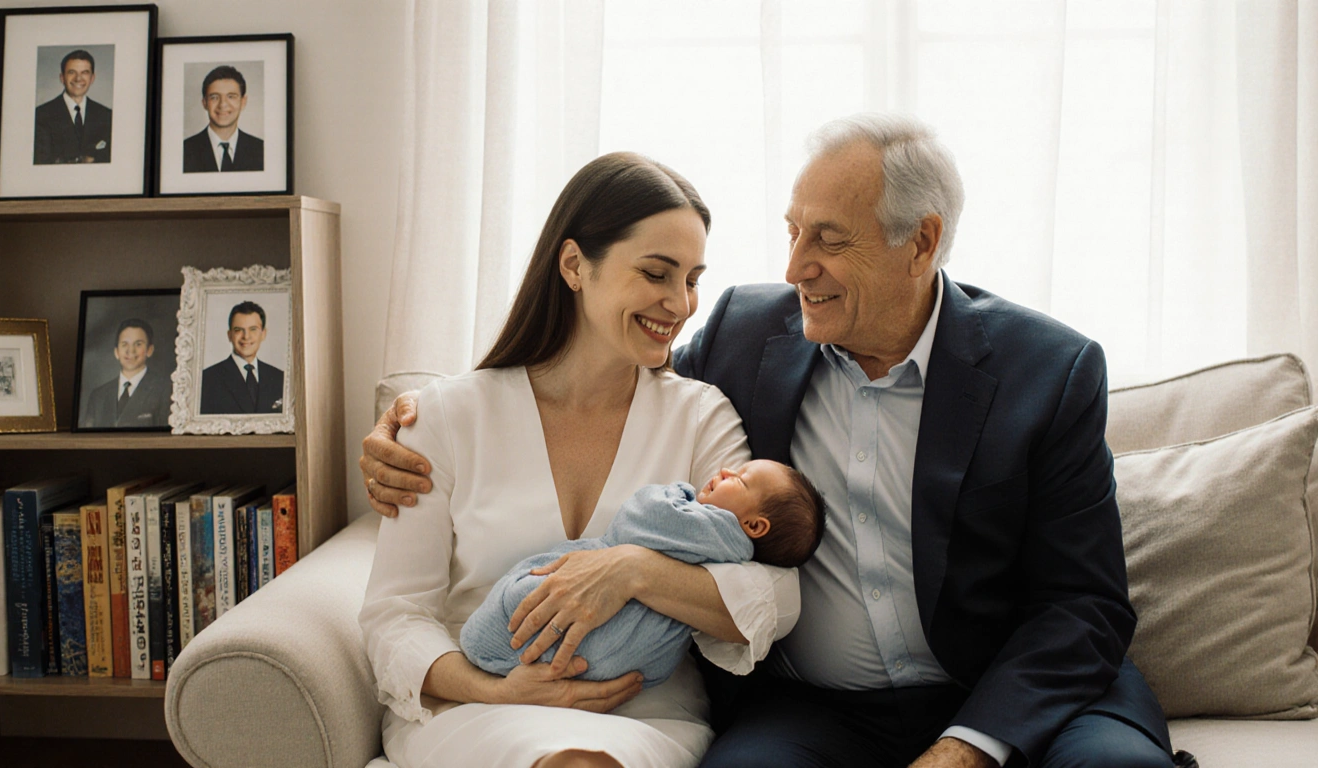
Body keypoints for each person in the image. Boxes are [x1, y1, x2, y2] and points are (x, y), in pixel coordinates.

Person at [360, 113, 1177, 768]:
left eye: (828, 239)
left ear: (921, 243)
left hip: (1005, 696)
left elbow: (1084, 602)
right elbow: (598, 368)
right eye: (792, 232)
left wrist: (970, 747)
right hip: (819, 713)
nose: (793, 268)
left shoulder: (1050, 370)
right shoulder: (746, 340)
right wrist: (408, 425)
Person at [358, 152, 799, 768]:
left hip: (642, 713)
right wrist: (495, 688)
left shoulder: (700, 417)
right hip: (475, 706)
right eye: (656, 273)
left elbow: (771, 593)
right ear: (573, 265)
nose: (680, 302)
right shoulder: (446, 417)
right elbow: (394, 613)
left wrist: (631, 570)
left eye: (693, 279)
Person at [461, 460, 826, 688]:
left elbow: (639, 517)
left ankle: (498, 650)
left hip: (609, 637)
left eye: (741, 479)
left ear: (754, 526)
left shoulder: (708, 529)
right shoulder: (732, 559)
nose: (726, 470)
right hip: (634, 671)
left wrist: (677, 493)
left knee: (522, 599)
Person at [81, 318, 172, 428]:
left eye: (138, 344)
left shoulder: (166, 390)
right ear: (116, 352)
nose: (131, 351)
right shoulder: (98, 396)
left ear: (149, 350)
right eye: (124, 344)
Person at [200, 301, 284, 414]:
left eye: (253, 329)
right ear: (229, 335)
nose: (246, 336)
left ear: (263, 334)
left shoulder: (280, 378)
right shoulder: (206, 379)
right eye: (238, 330)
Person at [34, 49, 112, 164]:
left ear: (92, 78)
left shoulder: (107, 116)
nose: (78, 78)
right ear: (62, 78)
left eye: (84, 72)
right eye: (72, 72)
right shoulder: (41, 115)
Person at [182, 65, 265, 173]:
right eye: (214, 97)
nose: (223, 105)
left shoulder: (261, 150)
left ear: (243, 102)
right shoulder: (184, 150)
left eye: (231, 96)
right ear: (205, 103)